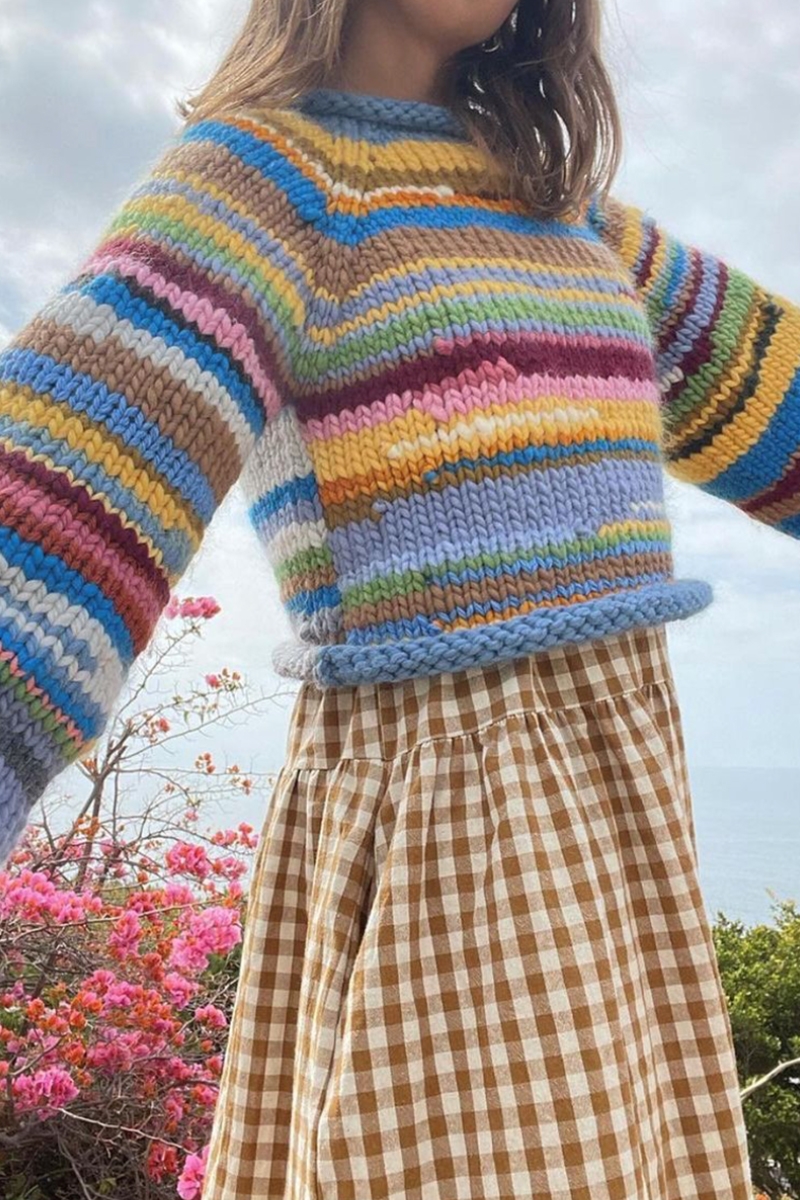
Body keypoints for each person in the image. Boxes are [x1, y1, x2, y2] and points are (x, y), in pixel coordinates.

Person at [1, 0, 797, 1194]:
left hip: (621, 853)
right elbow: (53, 522)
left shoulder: (562, 213)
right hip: (456, 867)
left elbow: (780, 404)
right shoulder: (268, 180)